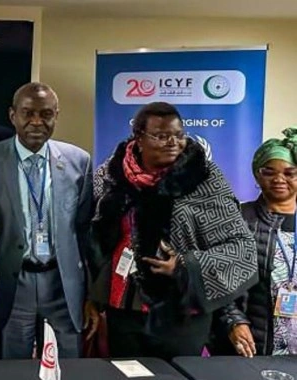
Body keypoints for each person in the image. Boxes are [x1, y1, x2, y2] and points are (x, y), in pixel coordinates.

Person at [89, 101, 257, 359]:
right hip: (123, 310)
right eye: (161, 136)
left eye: (179, 135)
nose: (173, 143)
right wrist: (93, 295)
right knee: (126, 379)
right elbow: (96, 239)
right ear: (139, 138)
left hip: (180, 314)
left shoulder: (204, 177)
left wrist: (185, 265)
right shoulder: (110, 176)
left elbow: (241, 247)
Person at [0, 82, 97, 359]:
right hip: (11, 285)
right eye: (28, 113)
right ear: (13, 115)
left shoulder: (79, 161)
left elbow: (84, 231)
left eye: (46, 114)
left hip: (63, 285)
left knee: (68, 370)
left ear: (56, 116)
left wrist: (90, 293)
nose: (37, 122)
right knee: (11, 372)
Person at [216, 128, 297, 357]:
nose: (279, 179)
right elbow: (218, 279)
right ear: (257, 175)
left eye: (289, 173)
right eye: (269, 172)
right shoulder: (238, 218)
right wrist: (234, 321)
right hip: (251, 346)